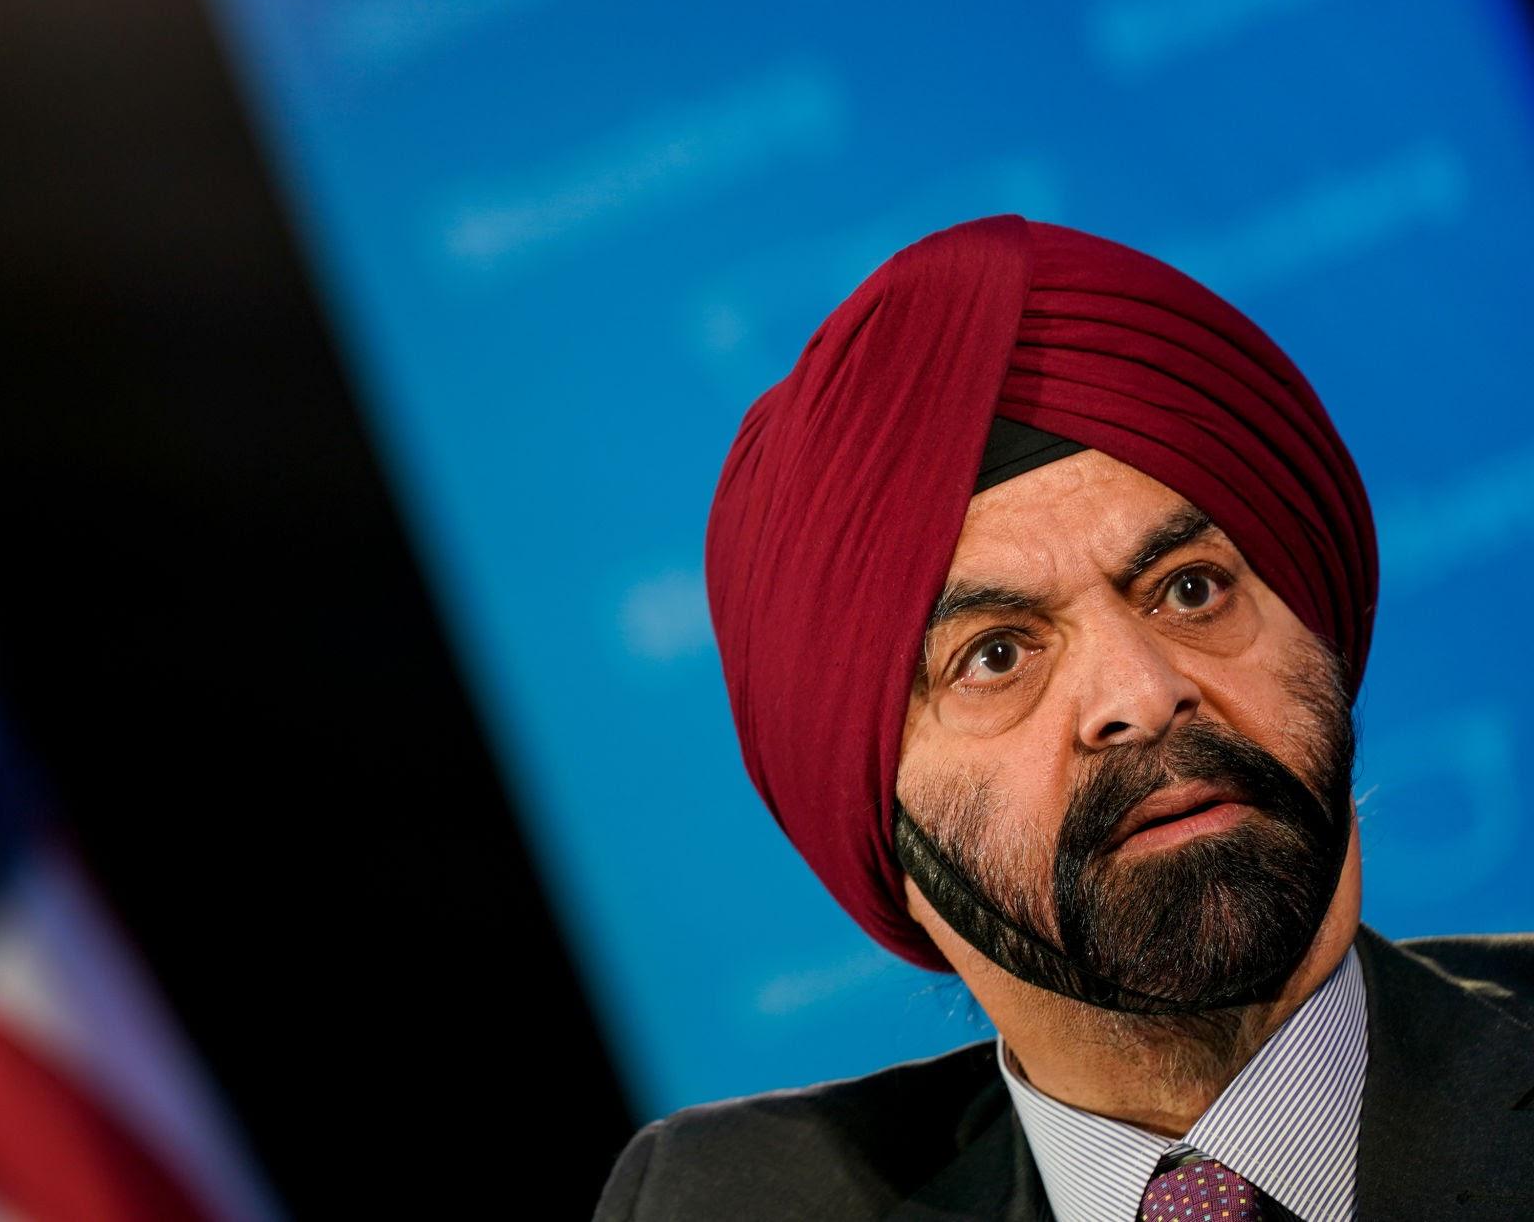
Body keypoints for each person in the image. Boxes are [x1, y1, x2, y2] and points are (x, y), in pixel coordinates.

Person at [592, 216, 1532, 1221]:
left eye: (1189, 589)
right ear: (870, 822)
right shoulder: (723, 1203)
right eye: (994, 655)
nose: (1140, 692)